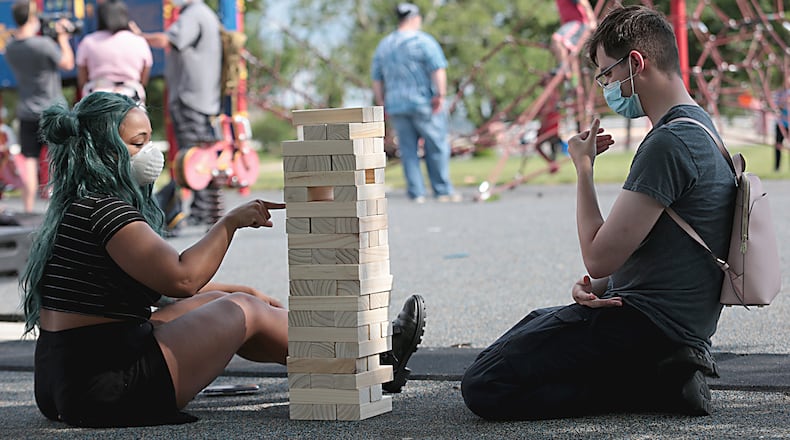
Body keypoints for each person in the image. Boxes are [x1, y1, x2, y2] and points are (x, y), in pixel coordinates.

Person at [20, 91, 424, 427]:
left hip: (65, 379)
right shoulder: (108, 211)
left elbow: (151, 289)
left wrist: (231, 288)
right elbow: (180, 280)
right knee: (244, 310)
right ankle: (374, 357)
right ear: (102, 148)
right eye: (138, 143)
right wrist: (229, 222)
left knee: (229, 300)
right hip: (107, 386)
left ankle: (345, 368)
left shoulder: (78, 206)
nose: (152, 152)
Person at [461, 6, 736, 420]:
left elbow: (597, 254)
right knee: (532, 326)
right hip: (674, 322)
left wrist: (583, 169)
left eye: (607, 74)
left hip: (651, 327)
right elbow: (640, 249)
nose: (605, 86)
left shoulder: (668, 144)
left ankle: (654, 384)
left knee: (485, 384)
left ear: (636, 63)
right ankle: (663, 373)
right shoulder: (698, 126)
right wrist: (602, 284)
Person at [134, 0, 222, 229]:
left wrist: (139, 36)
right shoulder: (206, 14)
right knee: (201, 153)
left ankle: (201, 211)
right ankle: (205, 209)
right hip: (203, 96)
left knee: (193, 156)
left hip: (190, 96)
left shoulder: (193, 14)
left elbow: (167, 39)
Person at [371, 3, 460, 203]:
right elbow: (437, 69)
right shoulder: (423, 41)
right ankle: (442, 190)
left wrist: (381, 102)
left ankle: (416, 192)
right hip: (423, 102)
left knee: (408, 150)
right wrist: (441, 94)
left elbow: (376, 78)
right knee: (436, 145)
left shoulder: (384, 45)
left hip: (396, 104)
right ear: (415, 19)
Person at [4, 0, 74, 213]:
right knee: (57, 160)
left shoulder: (11, 48)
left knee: (30, 162)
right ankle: (57, 208)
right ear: (32, 18)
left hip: (26, 110)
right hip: (52, 110)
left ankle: (28, 209)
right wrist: (63, 39)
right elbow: (68, 63)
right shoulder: (43, 45)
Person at [76, 0, 152, 104]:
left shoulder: (88, 42)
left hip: (97, 97)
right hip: (131, 95)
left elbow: (82, 80)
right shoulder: (139, 41)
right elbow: (144, 78)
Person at [551, 0, 596, 77]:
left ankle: (564, 69)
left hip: (578, 23)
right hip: (570, 24)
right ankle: (574, 84)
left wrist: (592, 21)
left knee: (557, 39)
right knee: (570, 53)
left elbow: (583, 2)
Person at [772, 88, 789, 171]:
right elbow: (777, 107)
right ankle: (777, 167)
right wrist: (784, 102)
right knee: (778, 145)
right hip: (781, 123)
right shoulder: (779, 93)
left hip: (788, 123)